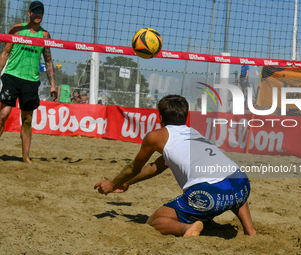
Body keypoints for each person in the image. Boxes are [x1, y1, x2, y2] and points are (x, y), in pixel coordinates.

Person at [94, 95, 256, 237]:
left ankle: (187, 228)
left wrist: (113, 183)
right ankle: (250, 231)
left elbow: (133, 167)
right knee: (228, 177)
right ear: (185, 116)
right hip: (242, 187)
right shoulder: (194, 133)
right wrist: (127, 182)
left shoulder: (155, 137)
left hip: (210, 195)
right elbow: (155, 166)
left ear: (160, 117)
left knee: (156, 220)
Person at [0, 1, 57, 163]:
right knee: (3, 114)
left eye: (41, 11)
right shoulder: (17, 29)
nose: (38, 14)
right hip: (12, 76)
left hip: (31, 81)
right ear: (29, 13)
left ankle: (25, 157)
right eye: (35, 11)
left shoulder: (45, 35)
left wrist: (52, 84)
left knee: (27, 120)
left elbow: (48, 61)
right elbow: (5, 53)